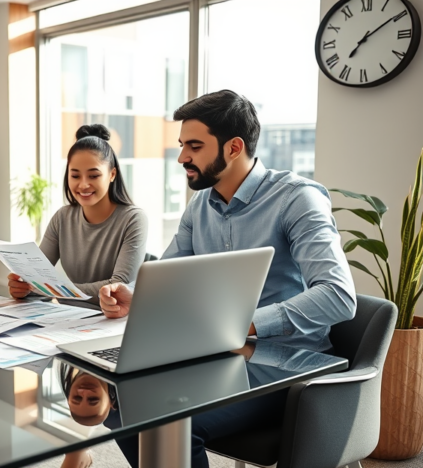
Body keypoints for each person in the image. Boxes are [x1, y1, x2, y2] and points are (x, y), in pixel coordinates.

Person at [97, 90, 356, 467]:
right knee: (116, 404)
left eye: (195, 146)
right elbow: (167, 275)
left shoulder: (298, 200)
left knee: (169, 424)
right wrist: (132, 294)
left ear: (234, 147)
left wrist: (245, 324)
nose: (183, 156)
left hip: (287, 367)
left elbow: (338, 296)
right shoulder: (199, 206)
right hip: (216, 358)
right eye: (182, 145)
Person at [8, 124, 148, 301]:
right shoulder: (62, 218)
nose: (83, 185)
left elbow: (117, 288)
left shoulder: (134, 219)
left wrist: (51, 290)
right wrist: (24, 287)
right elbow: (37, 279)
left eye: (93, 175)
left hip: (115, 319)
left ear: (112, 174)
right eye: (75, 176)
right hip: (72, 316)